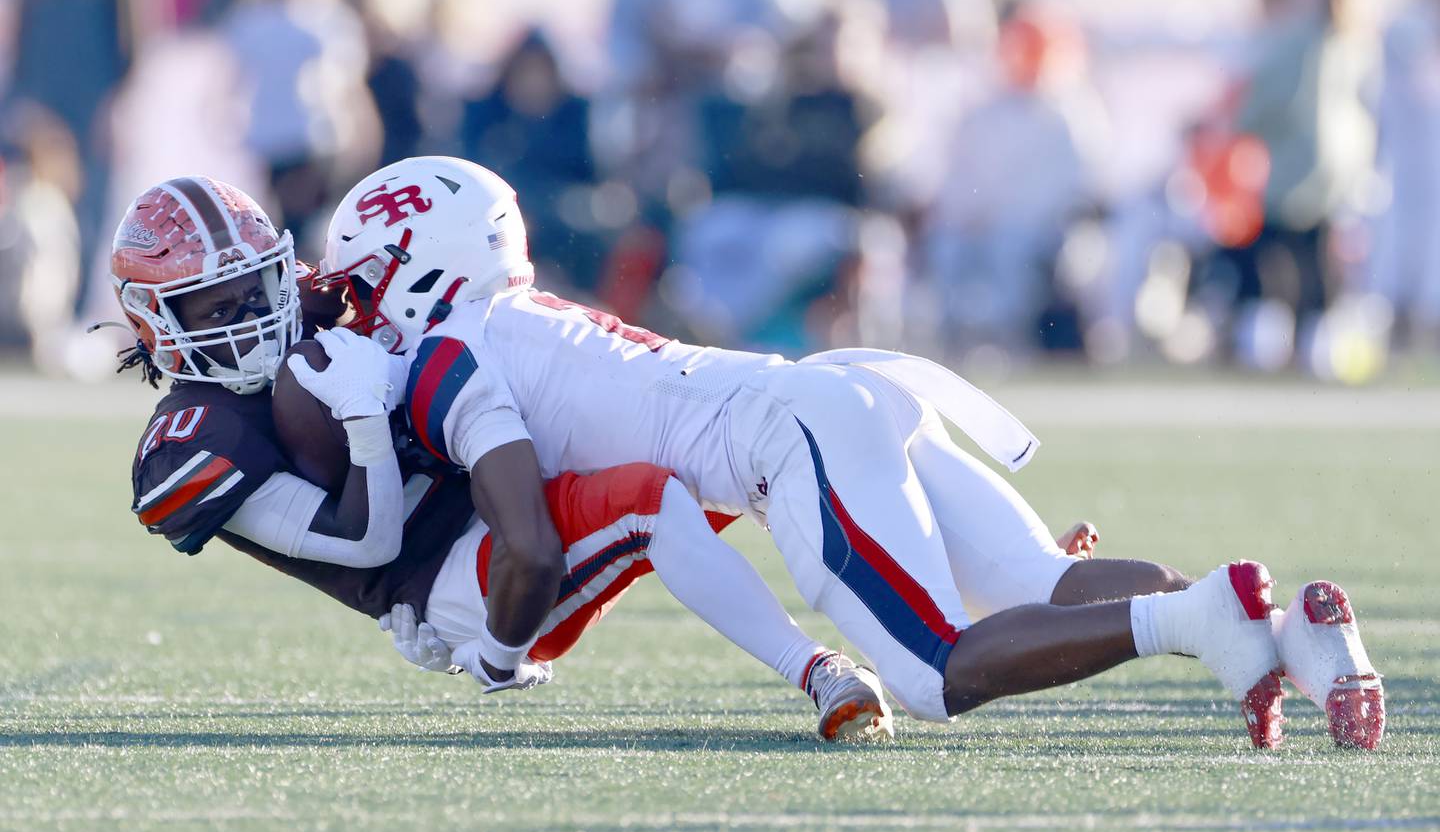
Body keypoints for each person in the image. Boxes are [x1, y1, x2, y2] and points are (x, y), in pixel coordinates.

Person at [315, 156, 1385, 749]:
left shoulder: (452, 352)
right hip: (840, 392)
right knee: (1046, 582)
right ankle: (1293, 638)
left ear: (414, 267)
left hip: (796, 434)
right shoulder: (528, 316)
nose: (360, 314)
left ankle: (1201, 615)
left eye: (363, 286)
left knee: (931, 671)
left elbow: (532, 535)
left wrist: (489, 648)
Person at [109, 176, 891, 738]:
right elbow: (367, 541)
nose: (253, 314)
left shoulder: (304, 300)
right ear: (154, 320)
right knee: (654, 496)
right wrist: (364, 418)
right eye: (218, 305)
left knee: (697, 443)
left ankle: (908, 605)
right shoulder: (194, 444)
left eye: (259, 285)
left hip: (491, 474)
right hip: (449, 571)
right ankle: (818, 667)